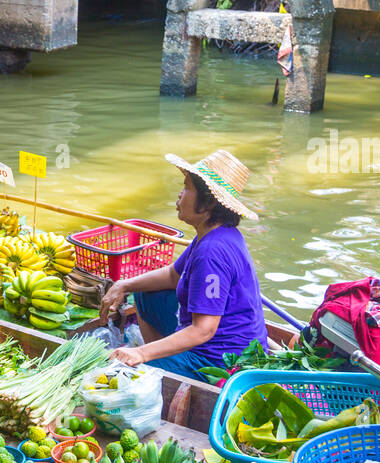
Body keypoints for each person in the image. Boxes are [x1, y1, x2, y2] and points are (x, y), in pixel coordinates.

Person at [98, 150, 267, 382]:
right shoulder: (213, 236)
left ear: (208, 203)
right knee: (145, 294)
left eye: (187, 187)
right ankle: (164, 358)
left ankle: (168, 366)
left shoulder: (213, 251)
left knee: (119, 372)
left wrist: (139, 353)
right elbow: (172, 275)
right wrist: (124, 285)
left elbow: (203, 330)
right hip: (211, 344)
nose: (180, 194)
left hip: (219, 362)